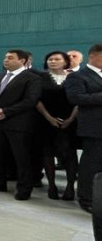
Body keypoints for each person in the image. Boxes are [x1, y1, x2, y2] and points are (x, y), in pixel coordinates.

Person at [0, 49, 42, 199]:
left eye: (10, 58)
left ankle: (24, 188)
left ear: (22, 61)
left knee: (21, 157)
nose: (6, 60)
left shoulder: (32, 78)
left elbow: (30, 100)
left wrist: (6, 111)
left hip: (18, 124)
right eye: (5, 57)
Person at [64, 43, 102, 214]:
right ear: (93, 56)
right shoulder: (78, 76)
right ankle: (86, 198)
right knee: (91, 165)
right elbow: (76, 98)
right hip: (94, 128)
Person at [36, 51, 78, 200]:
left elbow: (79, 99)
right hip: (46, 120)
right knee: (47, 153)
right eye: (50, 59)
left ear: (65, 62)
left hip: (70, 120)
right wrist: (49, 118)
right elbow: (36, 99)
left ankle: (70, 187)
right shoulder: (40, 77)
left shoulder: (74, 77)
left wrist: (71, 119)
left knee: (70, 154)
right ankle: (52, 185)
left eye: (57, 59)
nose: (53, 61)